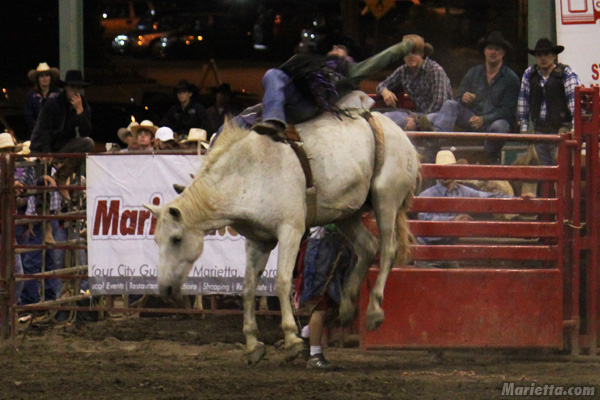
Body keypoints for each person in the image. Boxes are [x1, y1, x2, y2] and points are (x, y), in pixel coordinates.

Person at [220, 36, 419, 143]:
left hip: (307, 106)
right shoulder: (314, 65)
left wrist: (405, 46)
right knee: (235, 123)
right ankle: (268, 121)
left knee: (272, 75)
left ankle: (273, 121)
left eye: (340, 47)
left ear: (349, 55)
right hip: (289, 99)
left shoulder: (349, 71)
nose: (334, 47)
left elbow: (378, 61)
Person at [416, 150, 511, 261]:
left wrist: (518, 199)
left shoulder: (463, 191)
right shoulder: (427, 195)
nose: (445, 173)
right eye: (441, 169)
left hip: (449, 254)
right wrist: (454, 221)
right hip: (428, 253)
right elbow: (427, 224)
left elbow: (489, 197)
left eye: (449, 169)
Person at [376, 34, 458, 164]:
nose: (410, 56)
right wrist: (385, 91)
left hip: (438, 116)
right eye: (406, 53)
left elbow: (439, 103)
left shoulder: (435, 70)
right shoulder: (403, 71)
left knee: (439, 113)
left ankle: (430, 155)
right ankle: (401, 157)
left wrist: (418, 121)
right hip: (418, 115)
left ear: (422, 54)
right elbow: (381, 85)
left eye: (414, 52)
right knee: (389, 117)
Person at [455, 31, 521, 163]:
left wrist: (484, 119)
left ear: (503, 53)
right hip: (472, 118)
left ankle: (487, 159)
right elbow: (458, 96)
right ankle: (436, 148)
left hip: (494, 122)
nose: (493, 52)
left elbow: (507, 111)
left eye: (497, 49)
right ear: (484, 51)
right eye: (490, 48)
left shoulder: (511, 78)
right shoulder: (473, 72)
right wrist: (463, 98)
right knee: (450, 105)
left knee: (500, 127)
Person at [296, 225, 355, 370]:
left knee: (335, 306)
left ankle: (305, 334)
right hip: (320, 251)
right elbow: (330, 222)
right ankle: (315, 355)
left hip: (333, 249)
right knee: (320, 306)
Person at [517, 38, 581, 166]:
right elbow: (523, 100)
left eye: (546, 54)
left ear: (553, 55)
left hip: (561, 130)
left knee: (561, 169)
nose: (543, 58)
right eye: (539, 55)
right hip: (539, 131)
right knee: (542, 172)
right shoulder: (530, 74)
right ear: (536, 57)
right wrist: (524, 127)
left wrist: (574, 127)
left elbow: (575, 101)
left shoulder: (565, 73)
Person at [0, 133, 25, 303]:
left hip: (7, 230)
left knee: (17, 275)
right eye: (5, 150)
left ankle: (8, 312)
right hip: (4, 228)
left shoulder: (14, 173)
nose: (8, 153)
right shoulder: (8, 174)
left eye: (10, 150)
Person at [24, 62, 61, 135]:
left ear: (50, 78)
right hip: (37, 133)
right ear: (38, 79)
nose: (44, 78)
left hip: (56, 133)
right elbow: (29, 116)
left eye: (47, 75)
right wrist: (38, 128)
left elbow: (61, 114)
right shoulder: (31, 95)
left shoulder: (58, 94)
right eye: (41, 76)